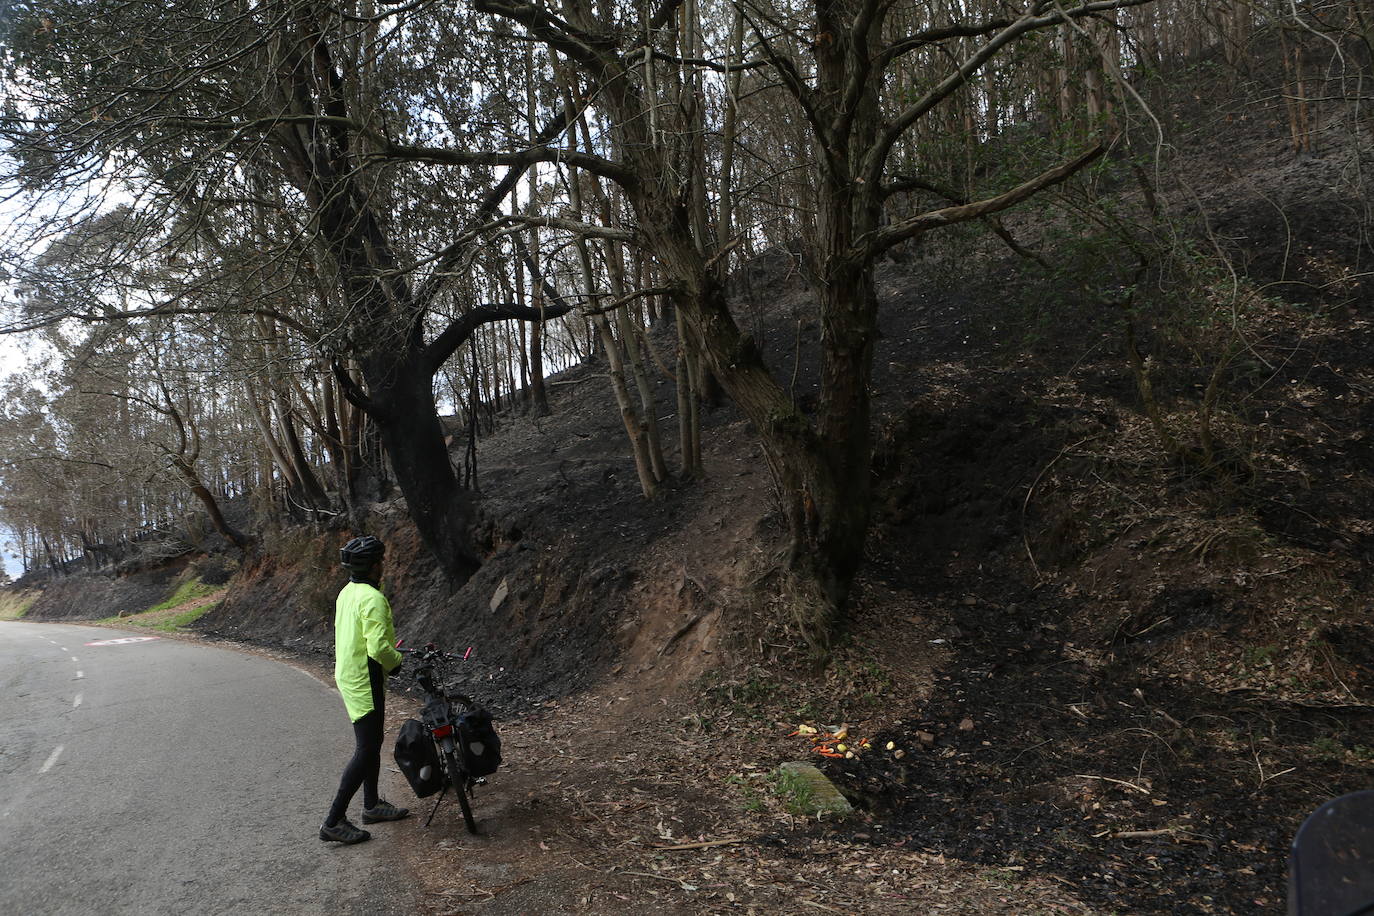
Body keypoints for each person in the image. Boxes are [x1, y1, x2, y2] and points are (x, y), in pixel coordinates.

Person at [319, 535, 411, 844]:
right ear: (373, 566)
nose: (383, 565)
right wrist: (396, 663)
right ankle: (333, 821)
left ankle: (371, 805)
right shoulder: (372, 598)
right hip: (364, 677)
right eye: (380, 561)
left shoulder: (348, 592)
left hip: (350, 673)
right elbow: (379, 648)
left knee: (372, 742)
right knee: (367, 748)